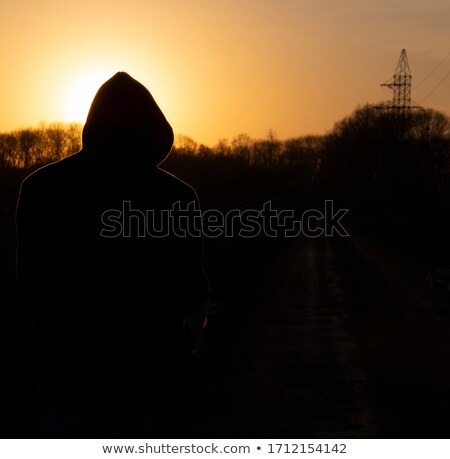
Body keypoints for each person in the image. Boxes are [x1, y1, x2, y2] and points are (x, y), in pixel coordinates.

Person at [15, 72, 209, 437]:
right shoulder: (176, 196)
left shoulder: (40, 188)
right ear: (154, 127)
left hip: (65, 376)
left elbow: (31, 278)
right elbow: (190, 289)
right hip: (148, 378)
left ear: (93, 124)